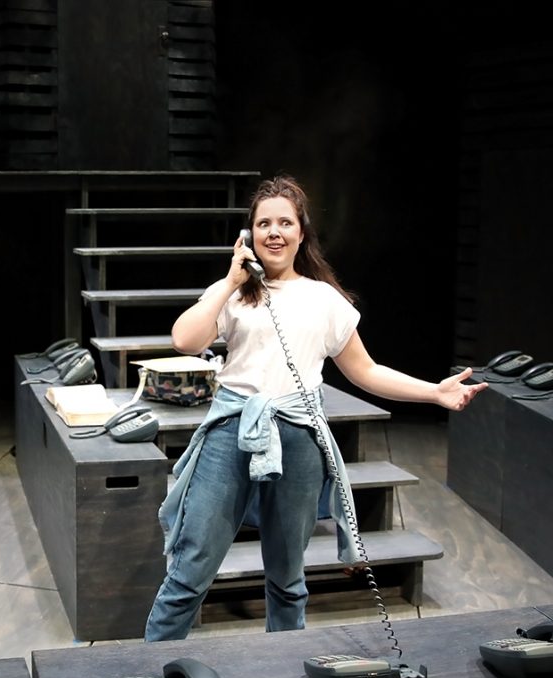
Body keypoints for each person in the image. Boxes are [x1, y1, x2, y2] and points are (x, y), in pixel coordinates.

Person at [143, 175, 488, 642]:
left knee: (287, 579)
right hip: (231, 430)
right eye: (263, 223)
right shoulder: (233, 294)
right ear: (248, 236)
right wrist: (230, 281)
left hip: (298, 436)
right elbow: (185, 340)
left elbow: (365, 372)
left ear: (301, 232)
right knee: (189, 570)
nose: (274, 232)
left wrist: (434, 392)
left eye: (285, 222)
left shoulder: (324, 298)